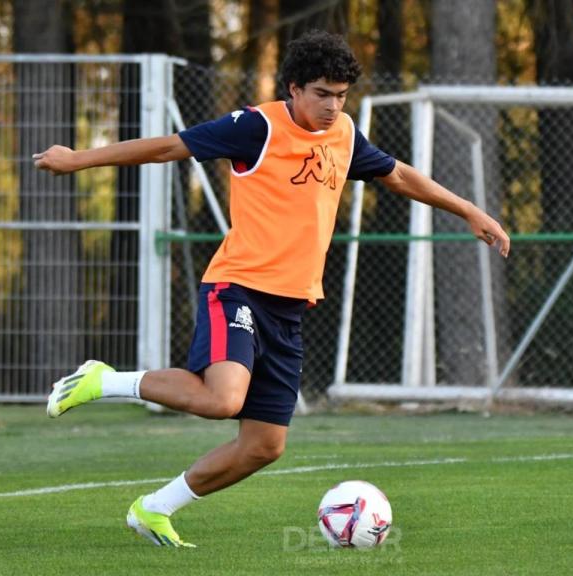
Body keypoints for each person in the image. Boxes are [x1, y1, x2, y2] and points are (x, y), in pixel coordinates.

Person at [33, 29, 509, 548]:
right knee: (223, 398)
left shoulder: (344, 135)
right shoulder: (255, 127)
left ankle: (154, 509)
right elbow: (171, 145)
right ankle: (103, 381)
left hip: (289, 307)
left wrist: (469, 210)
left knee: (263, 446)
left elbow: (397, 176)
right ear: (293, 88)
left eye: (341, 95)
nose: (332, 106)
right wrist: (78, 158)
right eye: (321, 93)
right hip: (237, 286)